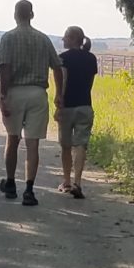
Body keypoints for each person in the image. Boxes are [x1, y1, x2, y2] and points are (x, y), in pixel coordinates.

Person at [0, 0, 63, 207]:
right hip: (37, 92)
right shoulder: (43, 39)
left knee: (12, 139)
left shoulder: (8, 38)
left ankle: (10, 183)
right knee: (32, 143)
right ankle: (29, 189)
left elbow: (4, 68)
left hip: (15, 91)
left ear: (15, 15)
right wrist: (59, 93)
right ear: (32, 15)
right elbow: (58, 67)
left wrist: (2, 94)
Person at [56, 26, 98, 199]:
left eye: (65, 37)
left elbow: (63, 81)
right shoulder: (91, 58)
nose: (63, 40)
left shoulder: (63, 58)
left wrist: (59, 102)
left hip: (67, 107)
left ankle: (66, 181)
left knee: (66, 146)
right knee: (80, 145)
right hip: (85, 106)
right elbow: (90, 84)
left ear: (72, 39)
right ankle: (77, 182)